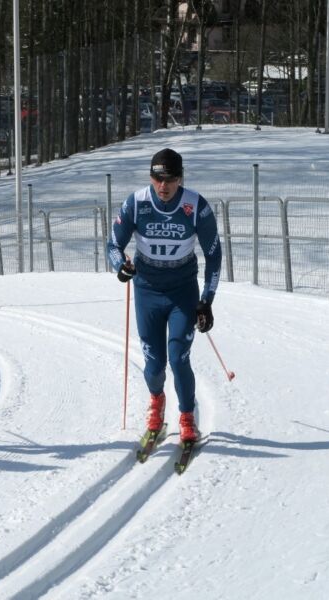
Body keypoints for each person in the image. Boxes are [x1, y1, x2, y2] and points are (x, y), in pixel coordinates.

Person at [107, 148, 222, 443]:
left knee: (178, 357)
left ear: (180, 178)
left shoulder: (196, 206)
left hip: (182, 291)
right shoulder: (136, 203)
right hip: (147, 290)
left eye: (170, 179)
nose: (163, 186)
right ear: (151, 177)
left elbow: (214, 255)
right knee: (155, 363)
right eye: (158, 178)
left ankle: (186, 416)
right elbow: (112, 245)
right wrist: (121, 267)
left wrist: (207, 301)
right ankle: (156, 402)